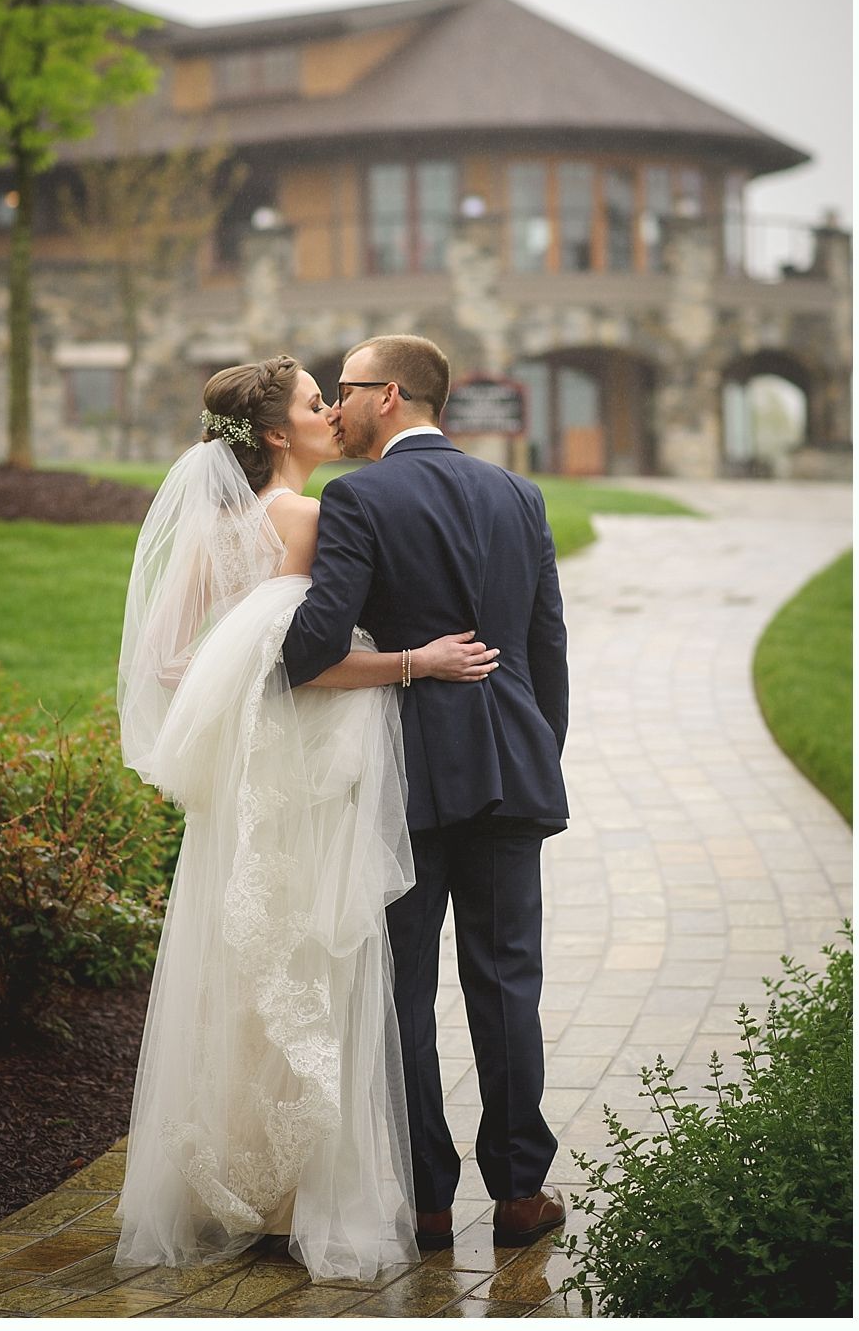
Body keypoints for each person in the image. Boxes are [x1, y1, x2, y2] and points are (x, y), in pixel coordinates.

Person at [113, 355, 499, 1282]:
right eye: (314, 403)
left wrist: (235, 687)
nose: (332, 411)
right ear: (280, 434)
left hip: (258, 774)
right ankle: (304, 1190)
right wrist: (418, 661)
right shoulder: (306, 516)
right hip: (307, 774)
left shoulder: (217, 527)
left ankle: (234, 1180)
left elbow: (169, 662)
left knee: (250, 964)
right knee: (317, 965)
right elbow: (306, 659)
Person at [283, 334, 570, 1251]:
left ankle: (429, 1200)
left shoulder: (357, 495)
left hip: (403, 779)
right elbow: (546, 648)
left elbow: (313, 645)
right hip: (512, 772)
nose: (337, 404)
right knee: (506, 982)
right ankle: (522, 1193)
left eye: (349, 389)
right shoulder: (518, 493)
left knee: (403, 986)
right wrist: (532, 751)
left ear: (392, 395)